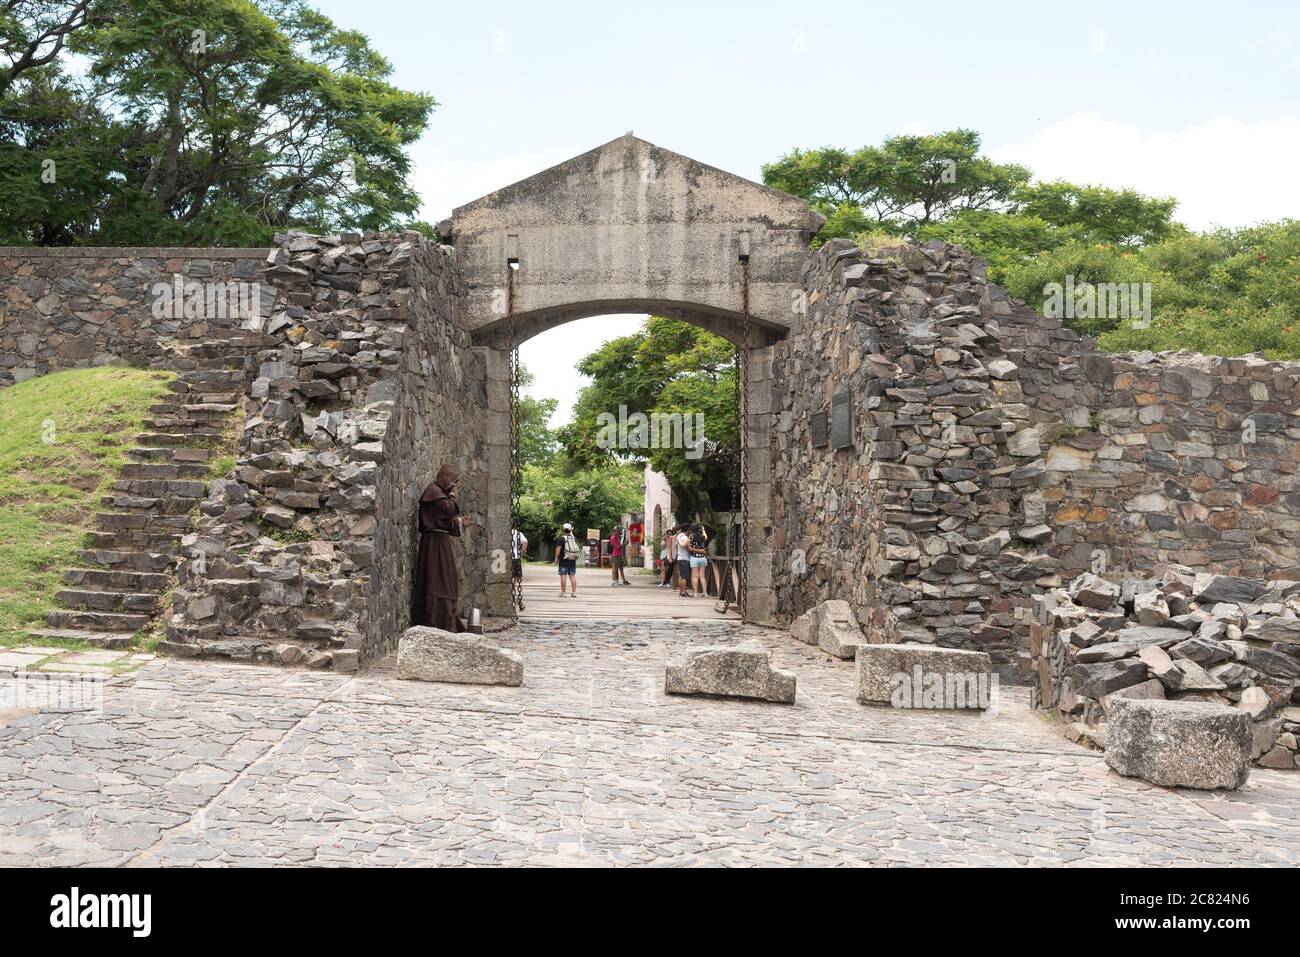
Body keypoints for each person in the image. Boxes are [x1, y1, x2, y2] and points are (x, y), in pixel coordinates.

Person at [412, 464, 467, 631]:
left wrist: (460, 523)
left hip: (440, 541)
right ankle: (435, 621)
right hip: (433, 544)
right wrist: (452, 496)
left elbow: (444, 521)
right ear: (446, 478)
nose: (454, 486)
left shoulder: (438, 493)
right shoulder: (434, 492)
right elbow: (449, 510)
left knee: (446, 579)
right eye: (453, 482)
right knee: (437, 579)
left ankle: (444, 619)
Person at [553, 522, 581, 597]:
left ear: (563, 530)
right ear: (570, 530)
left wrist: (556, 558)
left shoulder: (562, 539)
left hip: (563, 560)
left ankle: (563, 592)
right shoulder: (573, 538)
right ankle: (574, 592)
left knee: (563, 576)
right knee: (572, 576)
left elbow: (558, 549)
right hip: (572, 560)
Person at [689, 523, 710, 598]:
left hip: (694, 557)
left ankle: (695, 593)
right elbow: (706, 537)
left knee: (695, 576)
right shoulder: (702, 536)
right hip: (702, 558)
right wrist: (703, 529)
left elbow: (689, 546)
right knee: (702, 576)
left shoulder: (691, 536)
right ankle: (705, 593)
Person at [675, 525, 692, 598]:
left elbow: (676, 546)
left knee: (681, 576)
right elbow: (686, 547)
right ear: (687, 530)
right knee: (684, 577)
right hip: (685, 559)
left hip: (679, 558)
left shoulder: (679, 536)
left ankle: (681, 591)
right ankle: (683, 592)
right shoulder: (685, 538)